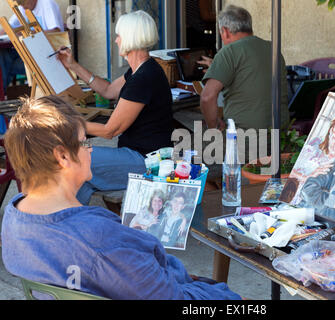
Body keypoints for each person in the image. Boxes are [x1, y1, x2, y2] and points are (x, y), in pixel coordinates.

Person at [1, 95, 241, 300]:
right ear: (62, 156)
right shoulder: (99, 237)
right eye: (84, 143)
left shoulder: (15, 216)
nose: (90, 150)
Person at [58, 10, 174, 205]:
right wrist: (73, 65)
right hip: (137, 155)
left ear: (130, 38)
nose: (116, 41)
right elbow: (108, 91)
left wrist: (69, 122)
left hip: (146, 162)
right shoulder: (142, 69)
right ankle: (71, 221)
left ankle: (67, 222)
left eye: (119, 36)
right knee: (76, 165)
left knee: (74, 156)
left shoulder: (143, 78)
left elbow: (109, 130)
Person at [199, 5, 289, 132]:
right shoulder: (273, 50)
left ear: (225, 31)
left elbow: (207, 97)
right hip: (281, 136)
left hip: (246, 139)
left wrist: (213, 126)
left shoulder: (228, 52)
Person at [283, 104, 335, 205]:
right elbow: (293, 172)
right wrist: (307, 177)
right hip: (290, 201)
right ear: (331, 128)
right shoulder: (314, 146)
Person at [0, 0, 64, 91]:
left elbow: (56, 31)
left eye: (22, 2)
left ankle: (3, 95)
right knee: (3, 56)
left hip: (48, 57)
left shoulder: (47, 4)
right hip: (31, 54)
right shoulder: (23, 8)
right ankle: (3, 94)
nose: (21, 6)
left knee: (4, 64)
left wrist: (26, 33)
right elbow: (8, 28)